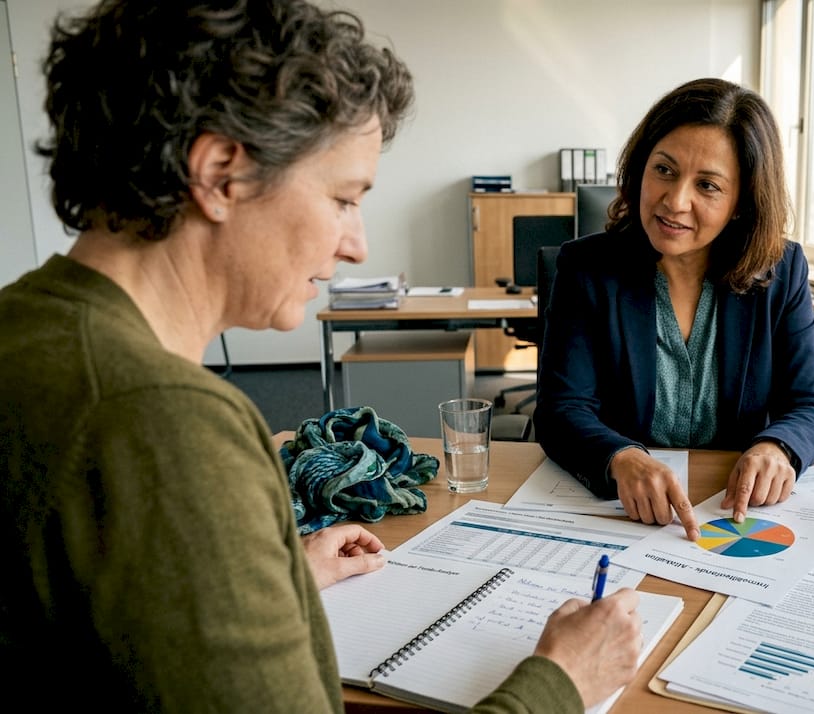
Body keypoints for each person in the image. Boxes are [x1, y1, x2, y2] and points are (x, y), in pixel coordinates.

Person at [0, 2, 641, 712]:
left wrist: (269, 579)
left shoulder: (22, 331)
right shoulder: (167, 423)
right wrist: (562, 682)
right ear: (220, 175)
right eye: (343, 198)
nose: (357, 245)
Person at [534, 77, 814, 541]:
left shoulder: (781, 269)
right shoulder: (587, 267)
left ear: (741, 203)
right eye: (665, 170)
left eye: (709, 186)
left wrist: (778, 447)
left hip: (734, 515)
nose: (675, 202)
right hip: (624, 515)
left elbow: (812, 405)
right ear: (641, 167)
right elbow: (561, 409)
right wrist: (621, 457)